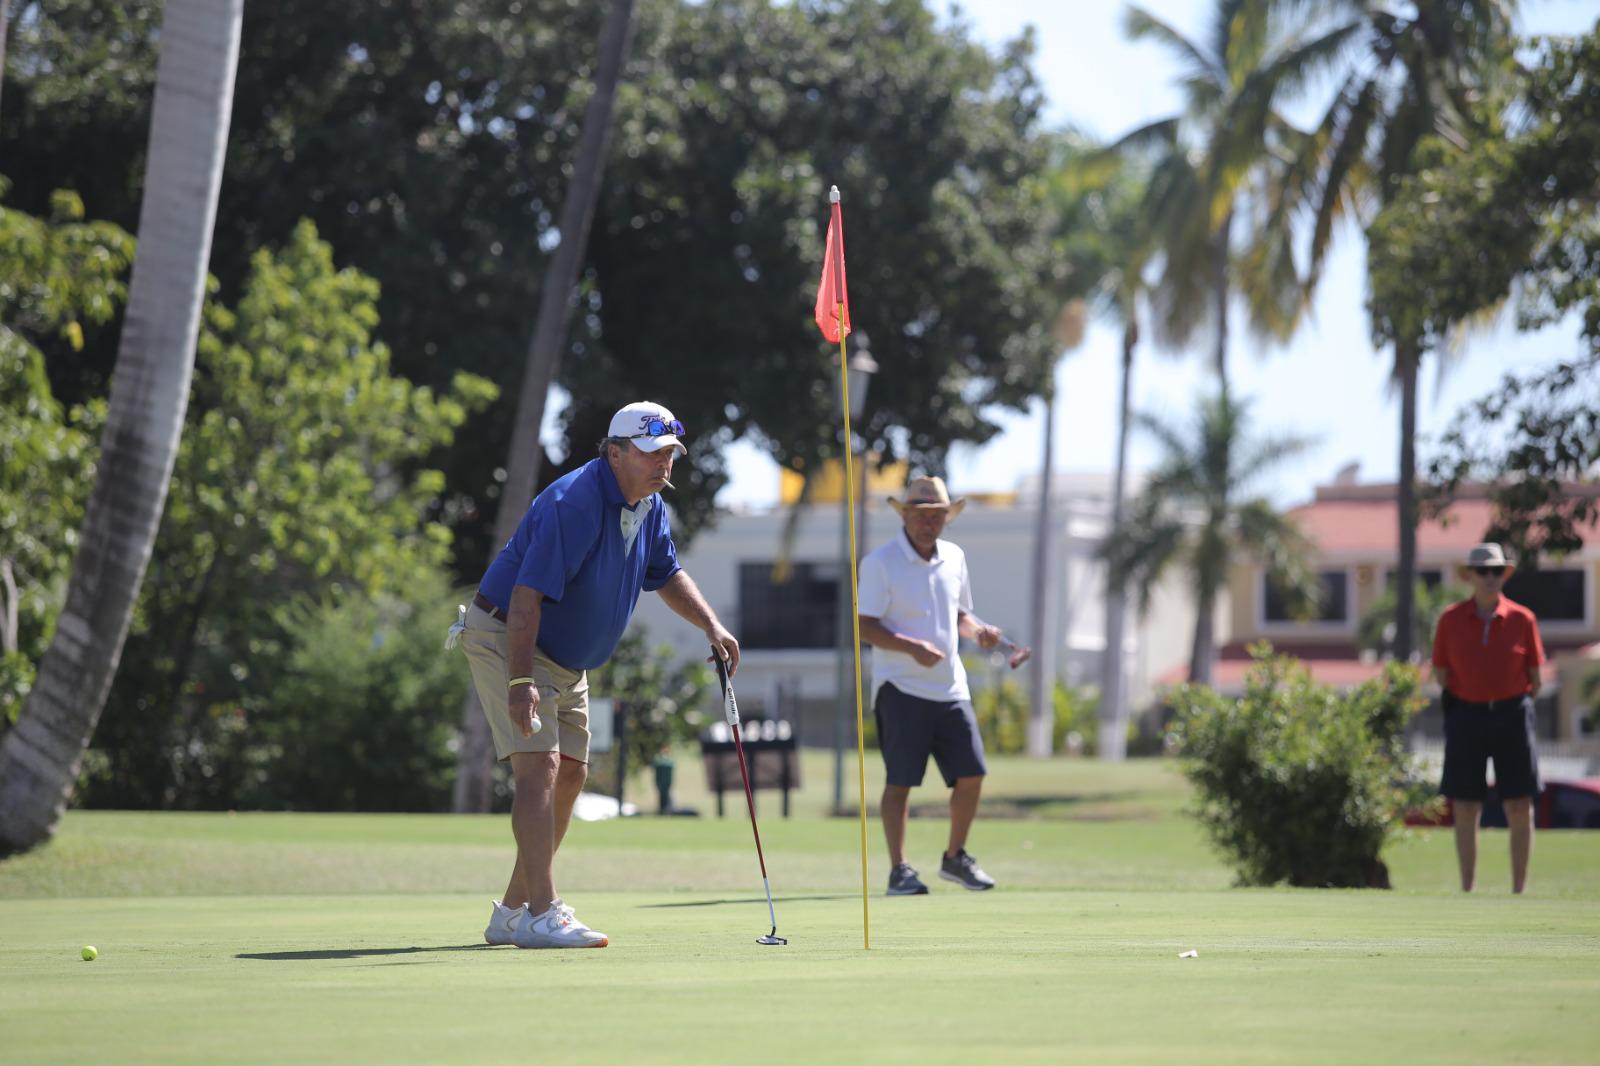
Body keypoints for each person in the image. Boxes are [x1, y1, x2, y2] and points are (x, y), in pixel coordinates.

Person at [455, 401, 739, 947]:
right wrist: (520, 683)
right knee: (539, 768)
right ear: (614, 453)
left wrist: (712, 626)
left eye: (670, 454)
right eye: (652, 453)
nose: (664, 465)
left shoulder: (651, 506)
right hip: (510, 638)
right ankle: (543, 911)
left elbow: (666, 572)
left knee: (571, 776)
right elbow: (525, 598)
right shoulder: (575, 502)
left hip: (566, 658)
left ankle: (511, 911)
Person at [857, 475, 1002, 896]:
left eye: (937, 515)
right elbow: (865, 625)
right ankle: (900, 870)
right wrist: (911, 647)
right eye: (921, 515)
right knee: (901, 781)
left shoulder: (955, 557)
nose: (929, 522)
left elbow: (960, 615)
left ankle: (955, 857)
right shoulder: (880, 562)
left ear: (946, 518)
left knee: (972, 773)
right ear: (904, 515)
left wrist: (980, 633)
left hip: (950, 687)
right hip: (900, 687)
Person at [1431, 542, 1544, 894]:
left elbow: (1535, 679)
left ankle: (1519, 891)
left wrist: (1507, 700)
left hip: (1512, 713)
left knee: (1519, 803)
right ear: (1471, 576)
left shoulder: (1523, 618)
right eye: (1484, 571)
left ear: (1504, 574)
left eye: (1497, 571)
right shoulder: (1450, 619)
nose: (1491, 577)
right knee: (1464, 805)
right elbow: (1441, 673)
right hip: (1467, 715)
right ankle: (1468, 890)